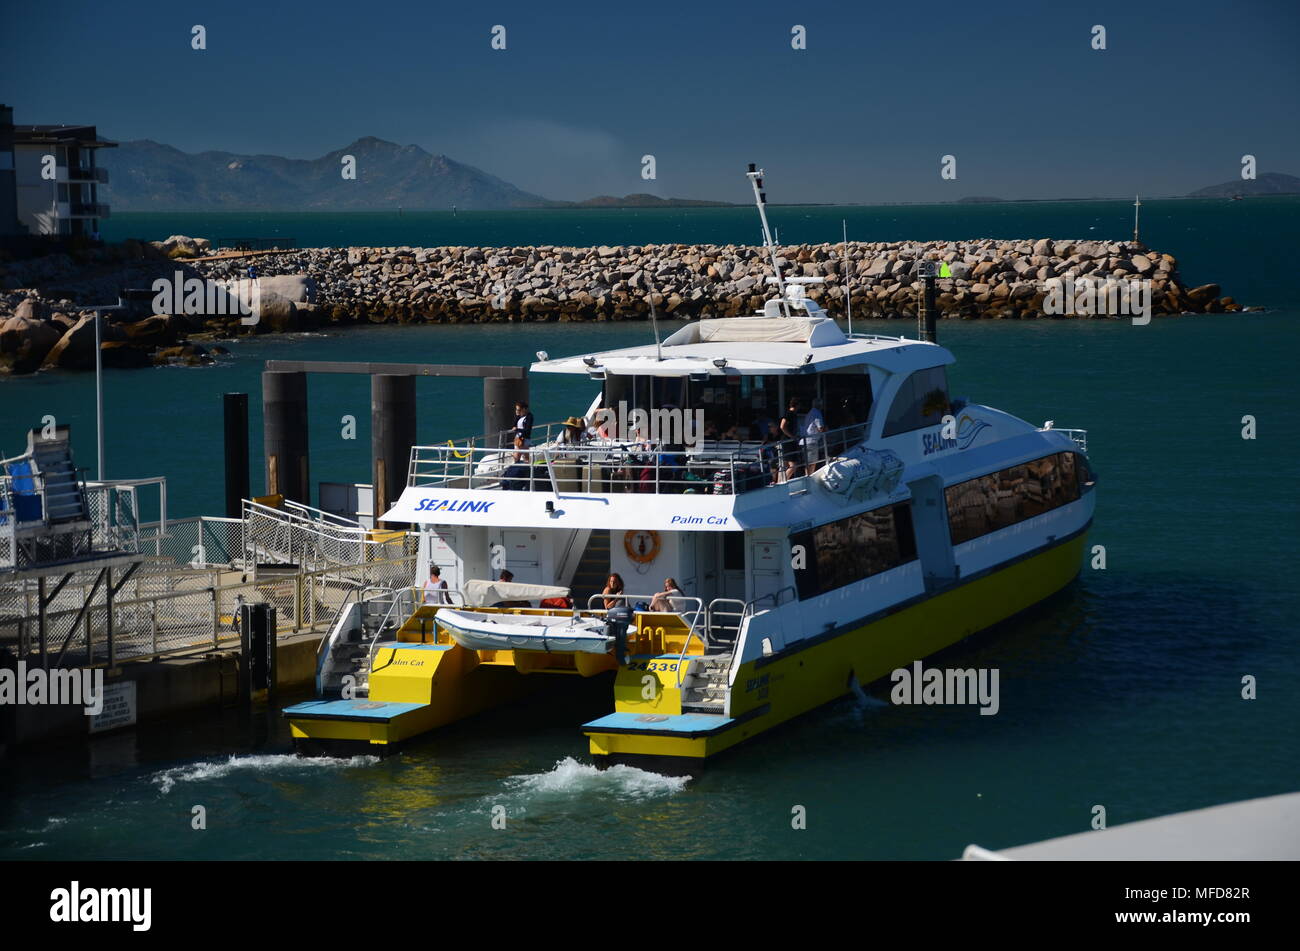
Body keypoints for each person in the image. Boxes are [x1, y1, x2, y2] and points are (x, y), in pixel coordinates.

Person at [779, 399, 804, 481]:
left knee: (785, 465)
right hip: (788, 442)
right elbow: (782, 426)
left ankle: (780, 481)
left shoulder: (793, 414)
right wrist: (792, 436)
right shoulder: (789, 414)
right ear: (797, 405)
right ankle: (782, 481)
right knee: (793, 466)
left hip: (791, 441)